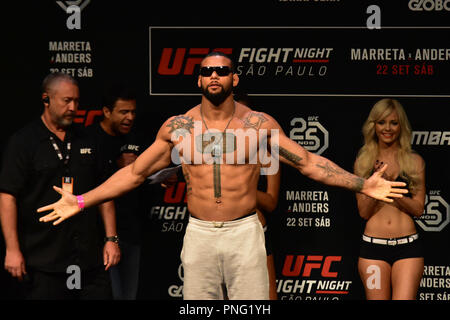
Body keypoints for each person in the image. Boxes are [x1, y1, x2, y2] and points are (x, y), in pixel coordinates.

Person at [38, 53, 408, 300]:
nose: (213, 76)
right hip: (199, 235)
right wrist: (82, 200)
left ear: (234, 77)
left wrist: (364, 183)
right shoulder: (178, 128)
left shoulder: (257, 125)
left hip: (245, 233)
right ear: (199, 80)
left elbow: (309, 162)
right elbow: (134, 174)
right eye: (206, 71)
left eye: (221, 70)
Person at [0, 72, 120, 299]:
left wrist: (111, 239)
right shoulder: (24, 142)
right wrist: (12, 250)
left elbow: (105, 192)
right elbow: (8, 196)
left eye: (76, 101)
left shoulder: (89, 139)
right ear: (46, 99)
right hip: (43, 260)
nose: (73, 107)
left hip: (89, 260)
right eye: (67, 100)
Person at [354, 99, 425, 300]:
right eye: (382, 122)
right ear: (373, 126)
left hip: (408, 247)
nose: (388, 128)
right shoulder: (363, 162)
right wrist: (376, 187)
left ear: (401, 126)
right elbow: (363, 212)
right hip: (372, 249)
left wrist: (392, 188)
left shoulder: (414, 162)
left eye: (393, 123)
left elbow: (419, 209)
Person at [86, 83, 143, 300]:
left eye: (133, 112)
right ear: (107, 112)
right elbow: (92, 185)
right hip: (99, 236)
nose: (130, 117)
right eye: (123, 112)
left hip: (131, 232)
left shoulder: (136, 137)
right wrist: (116, 166)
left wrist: (163, 178)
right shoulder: (89, 139)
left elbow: (144, 178)